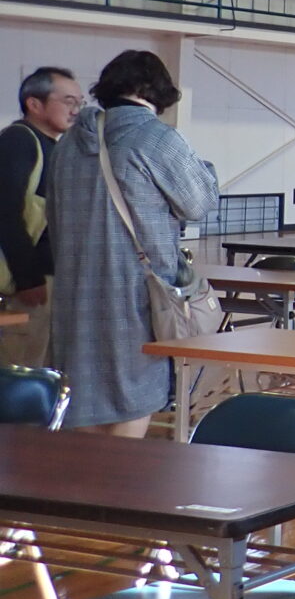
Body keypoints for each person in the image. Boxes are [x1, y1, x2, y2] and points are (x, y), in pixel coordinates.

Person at [46, 51, 218, 436]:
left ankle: (85, 476)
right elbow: (199, 203)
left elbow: (53, 217)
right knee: (133, 395)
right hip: (136, 297)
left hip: (74, 294)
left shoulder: (68, 143)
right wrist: (205, 169)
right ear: (154, 90)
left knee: (81, 397)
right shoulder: (156, 138)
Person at [0, 66, 84, 369]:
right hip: (27, 285)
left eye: (80, 103)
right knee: (22, 369)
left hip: (49, 279)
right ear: (34, 104)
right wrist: (28, 279)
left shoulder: (56, 148)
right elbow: (6, 212)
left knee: (43, 370)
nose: (76, 110)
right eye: (68, 101)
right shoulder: (19, 141)